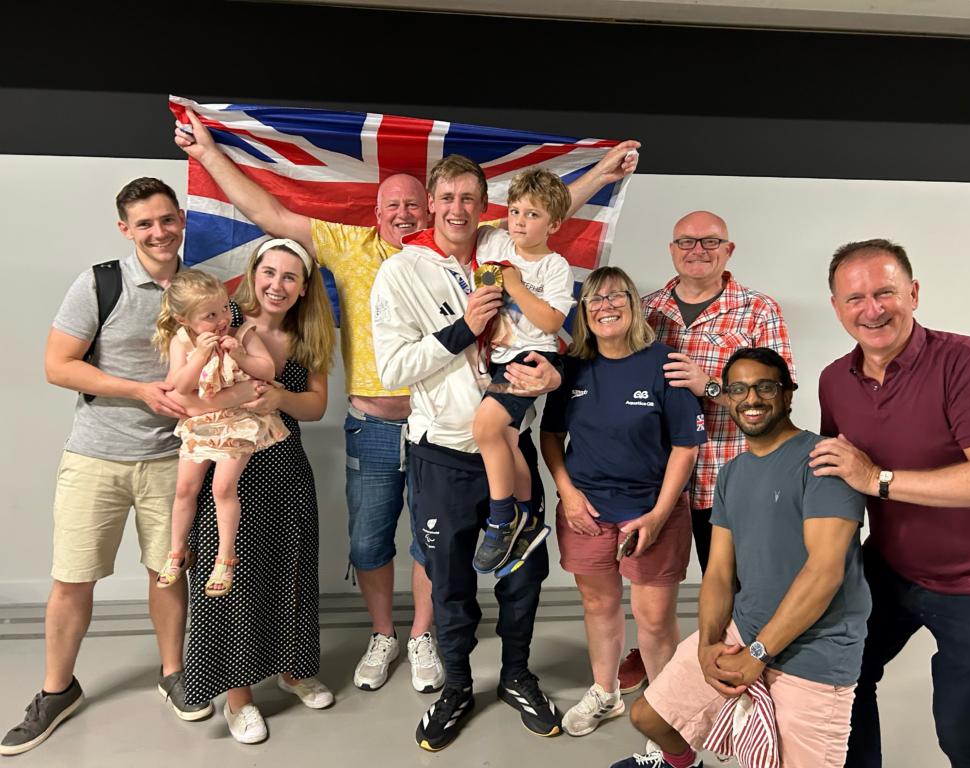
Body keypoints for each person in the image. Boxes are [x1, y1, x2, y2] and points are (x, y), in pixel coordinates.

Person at [175, 108, 638, 693]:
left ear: (438, 208)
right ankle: (382, 635)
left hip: (456, 428)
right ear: (376, 212)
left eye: (416, 204)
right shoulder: (348, 245)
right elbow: (271, 213)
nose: (406, 213)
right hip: (373, 421)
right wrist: (209, 154)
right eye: (393, 205)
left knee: (431, 544)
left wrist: (601, 171)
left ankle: (421, 636)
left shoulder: (484, 241)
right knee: (369, 540)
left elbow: (543, 209)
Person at [371, 150, 637, 751]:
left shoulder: (502, 246)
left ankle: (517, 674)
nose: (458, 209)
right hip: (441, 451)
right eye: (448, 198)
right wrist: (462, 330)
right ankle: (458, 685)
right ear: (430, 204)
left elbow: (546, 209)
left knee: (523, 576)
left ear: (483, 207)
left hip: (510, 449)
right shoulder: (401, 272)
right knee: (449, 582)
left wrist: (552, 376)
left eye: (470, 198)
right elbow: (392, 368)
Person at [1, 178, 214, 757]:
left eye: (167, 219)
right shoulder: (100, 282)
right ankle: (56, 689)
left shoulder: (203, 289)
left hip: (175, 459)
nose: (159, 232)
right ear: (125, 229)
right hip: (97, 454)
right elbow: (57, 366)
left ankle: (174, 672)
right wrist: (140, 391)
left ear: (182, 220)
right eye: (144, 223)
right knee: (73, 578)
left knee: (168, 572)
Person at [809, 239, 970, 768]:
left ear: (914, 293)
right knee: (840, 680)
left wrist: (877, 479)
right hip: (890, 569)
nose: (872, 309)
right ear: (836, 307)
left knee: (964, 737)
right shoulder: (835, 380)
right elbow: (838, 475)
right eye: (855, 298)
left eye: (885, 292)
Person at [610, 347, 871, 768]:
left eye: (765, 387)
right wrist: (708, 645)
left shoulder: (823, 461)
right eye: (739, 389)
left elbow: (824, 573)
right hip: (743, 632)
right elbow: (718, 572)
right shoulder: (732, 472)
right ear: (726, 398)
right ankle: (681, 762)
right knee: (649, 716)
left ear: (788, 394)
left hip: (815, 652)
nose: (751, 399)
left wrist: (758, 655)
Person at [625, 210, 795, 694]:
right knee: (652, 595)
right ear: (672, 249)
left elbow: (781, 398)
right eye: (686, 241)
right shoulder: (646, 310)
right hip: (663, 481)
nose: (697, 250)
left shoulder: (759, 311)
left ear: (729, 250)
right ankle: (658, 657)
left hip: (736, 479)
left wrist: (711, 384)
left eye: (709, 242)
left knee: (744, 589)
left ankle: (746, 674)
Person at [178, 240, 338, 744]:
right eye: (269, 272)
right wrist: (241, 394)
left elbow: (313, 408)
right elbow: (183, 398)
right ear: (253, 273)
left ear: (303, 288)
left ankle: (294, 669)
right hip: (229, 463)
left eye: (290, 277)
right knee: (232, 576)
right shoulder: (221, 323)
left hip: (284, 463)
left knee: (291, 567)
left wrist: (279, 395)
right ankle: (238, 695)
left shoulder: (310, 335)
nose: (277, 285)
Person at [539, 266, 705, 738]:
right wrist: (568, 495)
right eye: (594, 300)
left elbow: (686, 446)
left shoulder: (663, 363)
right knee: (599, 605)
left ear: (634, 306)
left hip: (652, 512)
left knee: (654, 618)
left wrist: (657, 515)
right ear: (583, 313)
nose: (605, 306)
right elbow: (551, 436)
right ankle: (605, 691)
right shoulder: (571, 367)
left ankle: (666, 712)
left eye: (616, 297)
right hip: (586, 512)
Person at [152, 268, 287, 597]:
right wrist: (198, 356)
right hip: (202, 427)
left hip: (238, 423)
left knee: (223, 487)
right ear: (185, 320)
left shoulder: (244, 335)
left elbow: (267, 371)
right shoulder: (180, 343)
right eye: (210, 315)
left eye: (225, 308)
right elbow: (179, 387)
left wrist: (239, 355)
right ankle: (176, 553)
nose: (223, 318)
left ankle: (225, 558)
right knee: (184, 487)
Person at [471, 167, 576, 575]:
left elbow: (551, 322)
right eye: (515, 211)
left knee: (483, 429)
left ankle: (501, 519)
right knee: (506, 439)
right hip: (495, 358)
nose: (519, 221)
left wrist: (515, 286)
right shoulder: (498, 240)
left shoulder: (555, 266)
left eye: (533, 215)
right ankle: (529, 517)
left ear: (554, 224)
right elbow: (488, 223)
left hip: (530, 359)